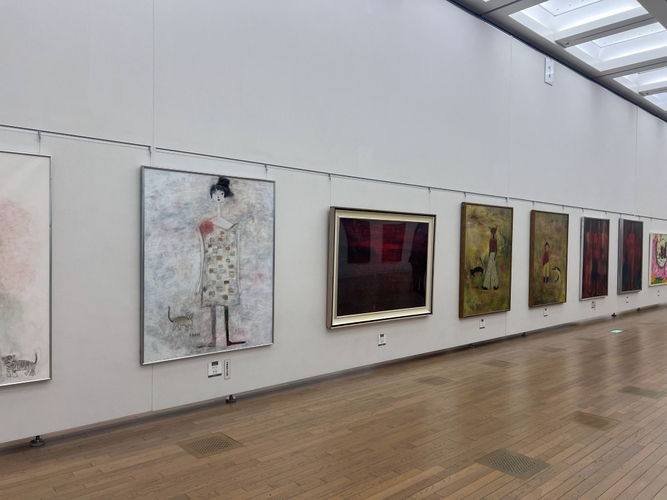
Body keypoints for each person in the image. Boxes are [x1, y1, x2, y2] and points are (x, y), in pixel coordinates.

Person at [196, 177, 245, 348]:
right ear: (212, 195)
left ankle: (227, 337)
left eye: (222, 194)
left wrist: (238, 278)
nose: (218, 196)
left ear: (225, 197)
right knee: (212, 304)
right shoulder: (205, 225)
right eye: (215, 193)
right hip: (211, 270)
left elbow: (237, 253)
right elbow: (202, 251)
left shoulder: (232, 227)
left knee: (225, 305)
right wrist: (199, 280)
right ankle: (213, 339)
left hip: (227, 271)